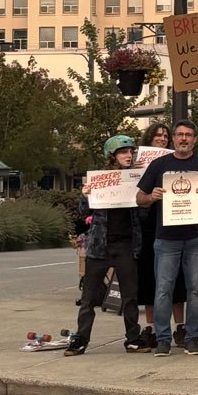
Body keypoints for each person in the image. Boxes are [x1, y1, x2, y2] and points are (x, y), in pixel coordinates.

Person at [135, 120, 198, 356]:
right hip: (166, 238)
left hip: (196, 236)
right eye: (180, 135)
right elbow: (139, 197)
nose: (184, 139)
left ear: (195, 139)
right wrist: (152, 196)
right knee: (163, 289)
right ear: (173, 138)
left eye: (189, 135)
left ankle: (192, 338)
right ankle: (163, 339)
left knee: (196, 289)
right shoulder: (159, 165)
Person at [67, 135, 146, 356]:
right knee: (89, 297)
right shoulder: (99, 180)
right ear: (111, 157)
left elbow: (144, 208)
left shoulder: (136, 179)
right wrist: (85, 195)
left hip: (126, 245)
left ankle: (133, 338)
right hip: (100, 246)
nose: (128, 156)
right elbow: (85, 213)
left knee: (130, 296)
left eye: (130, 152)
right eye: (123, 152)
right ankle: (81, 339)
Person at [137, 123, 184, 347]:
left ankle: (180, 327)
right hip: (148, 224)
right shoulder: (139, 161)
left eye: (165, 135)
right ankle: (152, 327)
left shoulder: (176, 160)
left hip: (175, 222)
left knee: (178, 279)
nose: (162, 139)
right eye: (157, 135)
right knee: (150, 279)